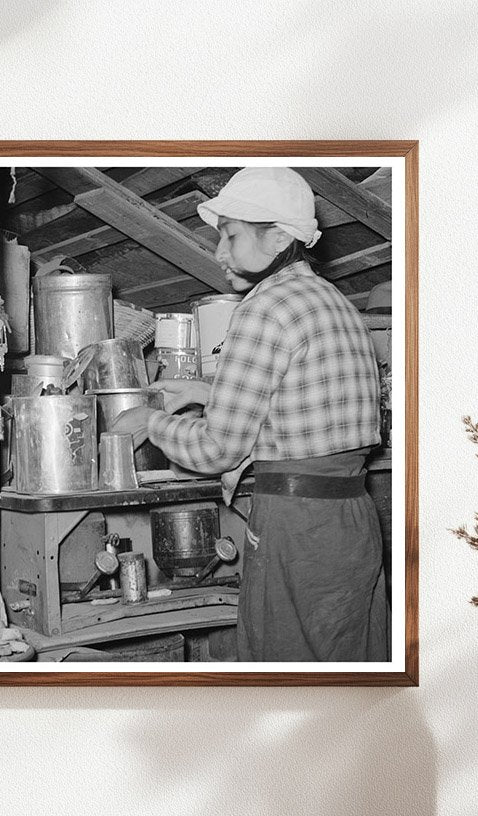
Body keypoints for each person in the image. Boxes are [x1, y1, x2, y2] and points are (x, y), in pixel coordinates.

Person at [110, 167, 388, 662]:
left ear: (278, 236)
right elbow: (301, 398)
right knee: (351, 668)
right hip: (351, 519)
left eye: (230, 235)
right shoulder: (333, 301)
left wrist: (148, 422)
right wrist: (202, 389)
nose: (219, 252)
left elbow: (218, 450)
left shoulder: (263, 308)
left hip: (296, 526)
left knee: (284, 669)